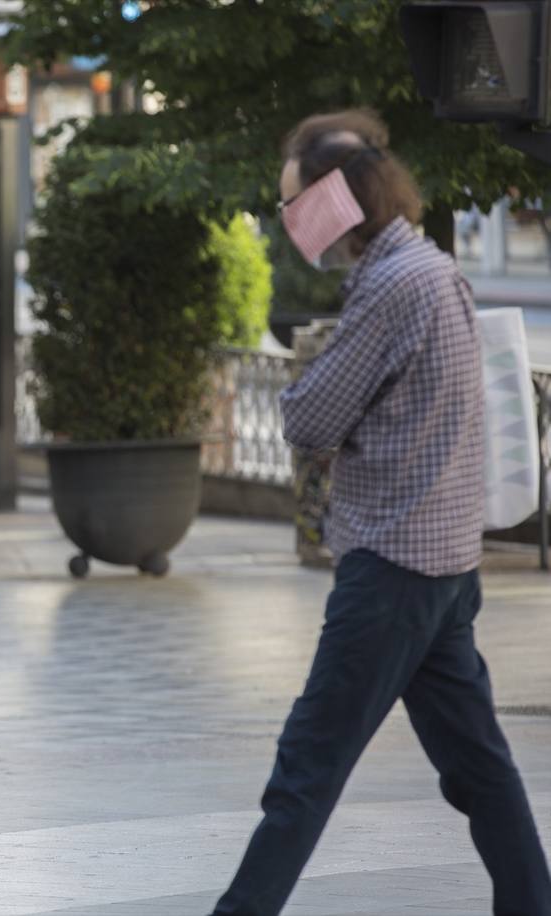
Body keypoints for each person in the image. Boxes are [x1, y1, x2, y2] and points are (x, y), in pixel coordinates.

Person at [214, 110, 551, 915]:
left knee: (308, 764)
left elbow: (306, 418)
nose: (289, 217)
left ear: (339, 198)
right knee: (478, 767)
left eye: (295, 200)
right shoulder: (426, 268)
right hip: (440, 563)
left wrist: (336, 418)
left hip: (395, 568)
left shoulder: (395, 286)